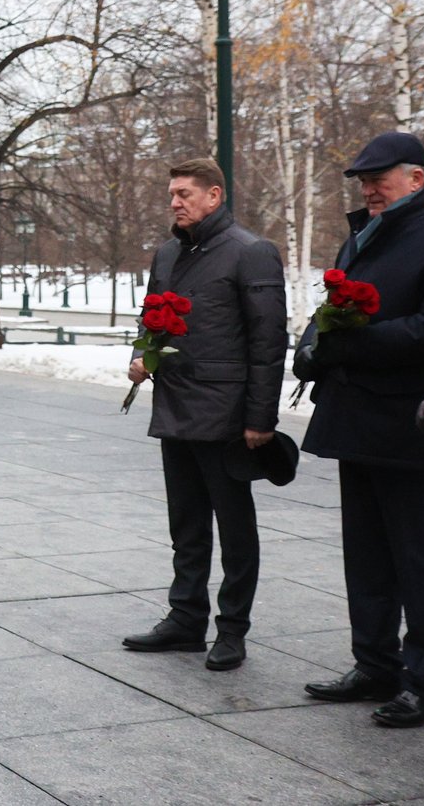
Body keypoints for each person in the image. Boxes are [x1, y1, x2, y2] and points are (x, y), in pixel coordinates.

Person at [297, 132, 424, 727]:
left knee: (423, 562)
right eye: (363, 178)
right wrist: (312, 344)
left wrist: (348, 344)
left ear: (416, 179)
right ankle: (375, 665)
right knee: (366, 557)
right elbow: (335, 308)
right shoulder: (364, 232)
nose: (369, 187)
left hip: (410, 429)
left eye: (380, 177)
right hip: (357, 421)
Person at [119, 157, 287, 671]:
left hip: (227, 415)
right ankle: (185, 619)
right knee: (186, 523)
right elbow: (153, 316)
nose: (175, 202)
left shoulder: (251, 252)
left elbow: (268, 339)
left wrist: (260, 417)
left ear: (214, 196)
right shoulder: (167, 253)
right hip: (176, 404)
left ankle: (232, 629)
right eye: (172, 193)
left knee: (235, 528)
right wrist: (143, 355)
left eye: (185, 193)